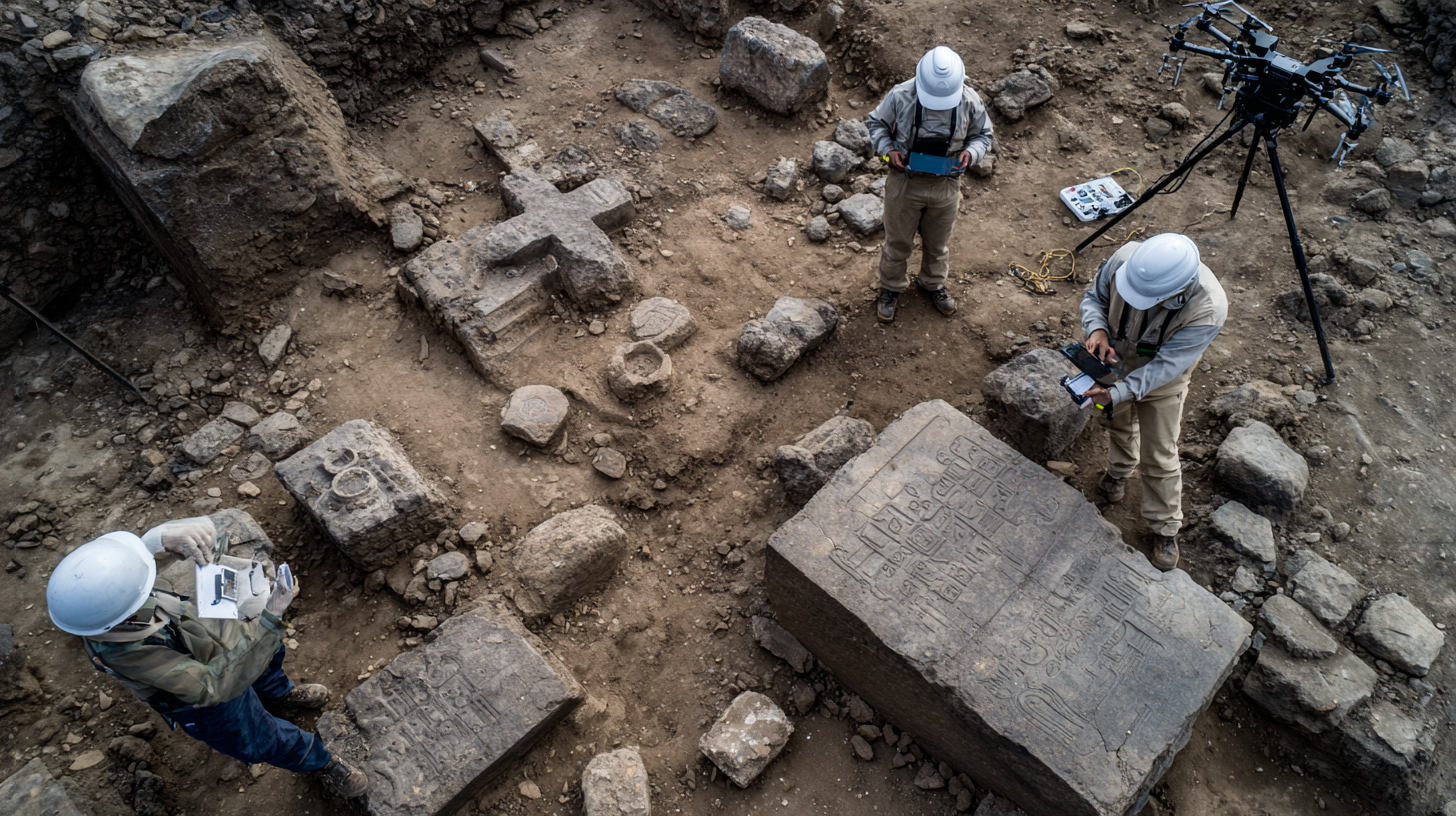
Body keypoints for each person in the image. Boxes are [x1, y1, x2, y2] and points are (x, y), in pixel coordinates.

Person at [45, 517, 368, 798]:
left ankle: (278, 695)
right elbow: (211, 685)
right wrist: (270, 618)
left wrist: (162, 542)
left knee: (264, 655)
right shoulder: (128, 653)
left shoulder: (111, 603)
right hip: (204, 702)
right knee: (261, 739)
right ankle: (321, 762)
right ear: (125, 613)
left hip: (205, 642)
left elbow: (134, 571)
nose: (147, 588)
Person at [1078, 233, 1228, 570]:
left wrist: (1117, 392)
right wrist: (1097, 329)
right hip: (1112, 363)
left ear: (1178, 291)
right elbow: (1094, 298)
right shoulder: (1125, 261)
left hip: (1162, 382)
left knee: (1160, 453)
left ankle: (1165, 526)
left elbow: (1165, 367)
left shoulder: (1208, 307)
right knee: (1115, 423)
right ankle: (1117, 474)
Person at [866, 46, 994, 323]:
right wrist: (889, 151)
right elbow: (875, 123)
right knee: (898, 243)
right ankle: (891, 288)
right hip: (905, 181)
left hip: (946, 184)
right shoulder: (900, 95)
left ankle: (933, 283)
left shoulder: (970, 100)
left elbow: (983, 135)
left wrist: (971, 154)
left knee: (938, 244)